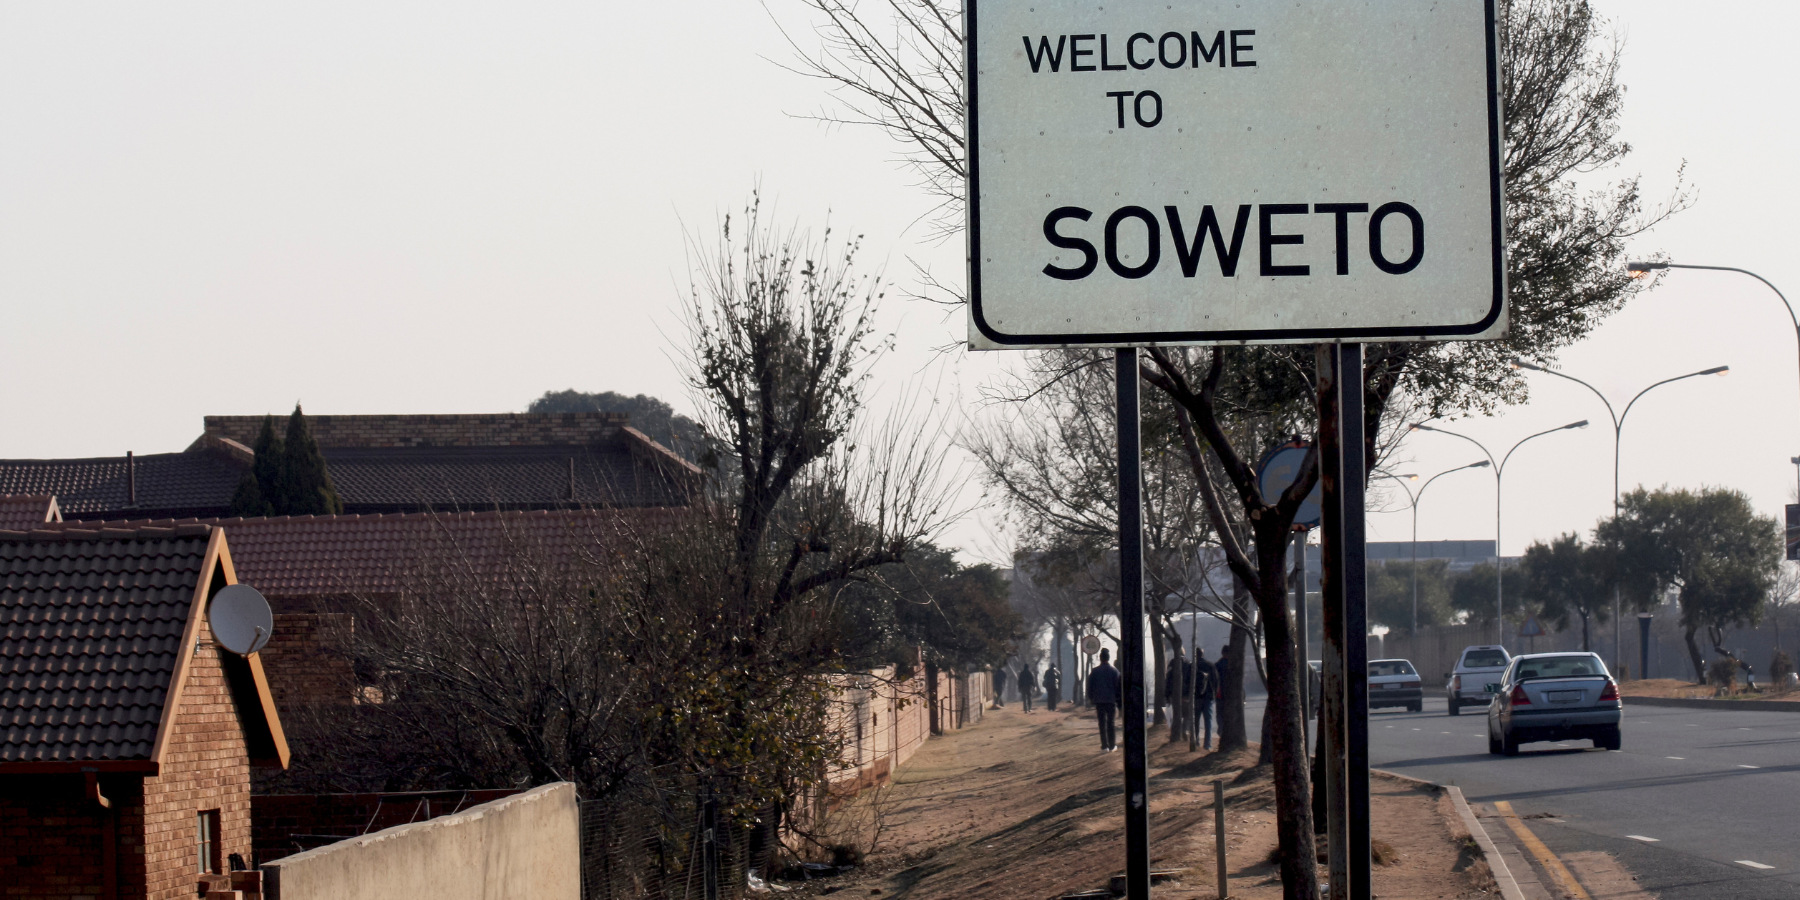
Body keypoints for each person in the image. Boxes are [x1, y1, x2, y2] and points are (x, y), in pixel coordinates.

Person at [1087, 647, 1122, 751]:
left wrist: (1091, 698)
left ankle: (1104, 745)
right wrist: (1118, 701)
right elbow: (1118, 687)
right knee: (1111, 723)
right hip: (1111, 701)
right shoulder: (1114, 671)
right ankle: (1112, 745)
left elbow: (1090, 686)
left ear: (1100, 658)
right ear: (1109, 658)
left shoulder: (1095, 671)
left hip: (1099, 701)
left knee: (1101, 723)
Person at [1192, 647, 1217, 750]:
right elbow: (1216, 681)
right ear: (1203, 654)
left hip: (1196, 697)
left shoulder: (1192, 666)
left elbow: (1188, 681)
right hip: (1208, 698)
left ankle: (1196, 742)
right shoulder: (1210, 665)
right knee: (1208, 721)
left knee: (1195, 721)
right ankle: (1207, 744)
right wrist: (1213, 694)